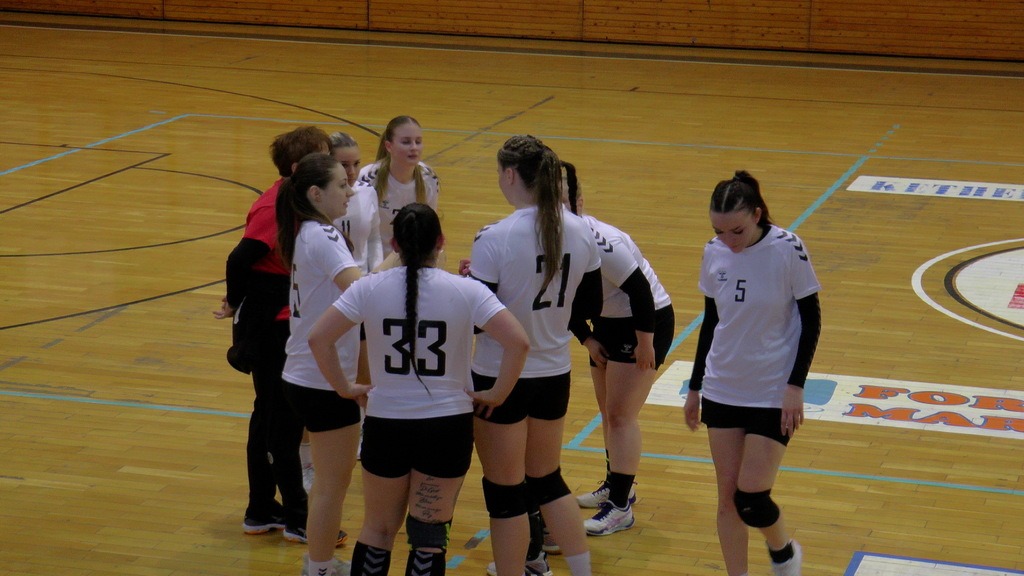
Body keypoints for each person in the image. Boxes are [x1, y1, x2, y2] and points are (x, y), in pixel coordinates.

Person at [307, 203, 530, 576]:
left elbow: (318, 339)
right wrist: (498, 394)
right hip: (446, 427)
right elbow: (519, 343)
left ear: (395, 245)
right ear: (440, 242)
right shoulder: (467, 290)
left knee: (377, 530)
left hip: (386, 424)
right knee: (428, 537)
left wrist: (344, 387)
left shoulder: (367, 288)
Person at [468, 135, 602, 576]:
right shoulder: (581, 230)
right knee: (547, 479)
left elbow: (479, 321)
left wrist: (468, 288)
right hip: (554, 371)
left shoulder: (495, 237)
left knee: (505, 489)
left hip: (498, 375)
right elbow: (591, 304)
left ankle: (520, 568)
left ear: (510, 175)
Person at [683, 171, 821, 576]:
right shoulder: (714, 252)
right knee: (727, 500)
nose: (728, 240)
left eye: (737, 230)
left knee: (751, 497)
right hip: (723, 387)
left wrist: (795, 386)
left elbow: (811, 321)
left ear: (757, 214)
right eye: (719, 231)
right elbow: (711, 322)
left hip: (771, 390)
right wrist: (695, 387)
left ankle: (783, 552)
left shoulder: (787, 248)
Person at [213, 125, 330, 541]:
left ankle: (261, 508)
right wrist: (233, 301)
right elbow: (240, 257)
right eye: (323, 156)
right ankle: (299, 518)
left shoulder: (296, 201)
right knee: (280, 421)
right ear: (298, 168)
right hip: (269, 324)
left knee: (269, 417)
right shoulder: (274, 206)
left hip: (280, 317)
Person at [559, 161, 675, 536]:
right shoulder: (549, 238)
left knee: (622, 415)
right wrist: (586, 337)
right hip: (607, 321)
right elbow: (560, 297)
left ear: (578, 201)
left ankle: (621, 507)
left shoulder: (599, 240)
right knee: (608, 414)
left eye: (562, 201)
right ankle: (617, 484)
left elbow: (641, 291)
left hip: (644, 320)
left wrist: (645, 344)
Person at [275, 152, 360, 576]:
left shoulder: (310, 232)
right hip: (321, 379)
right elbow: (361, 292)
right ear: (315, 193)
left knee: (330, 484)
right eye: (341, 185)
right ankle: (320, 567)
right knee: (331, 487)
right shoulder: (322, 236)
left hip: (305, 372)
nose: (350, 192)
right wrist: (400, 260)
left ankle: (320, 562)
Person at [356, 115, 440, 258]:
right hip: (374, 260)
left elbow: (430, 228)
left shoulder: (429, 178)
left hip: (411, 260)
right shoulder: (367, 179)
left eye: (418, 142)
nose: (414, 147)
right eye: (406, 142)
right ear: (389, 146)